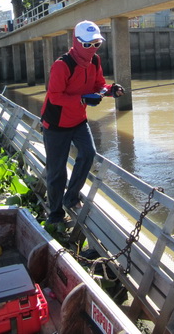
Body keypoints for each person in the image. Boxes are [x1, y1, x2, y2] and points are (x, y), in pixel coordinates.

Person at [40, 20, 125, 225]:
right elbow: (54, 97)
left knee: (88, 154)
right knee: (57, 171)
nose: (92, 49)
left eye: (96, 44)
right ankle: (56, 214)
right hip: (56, 124)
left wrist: (110, 90)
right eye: (88, 44)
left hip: (78, 120)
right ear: (76, 42)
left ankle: (72, 196)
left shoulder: (95, 61)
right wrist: (81, 99)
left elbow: (99, 85)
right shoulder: (62, 65)